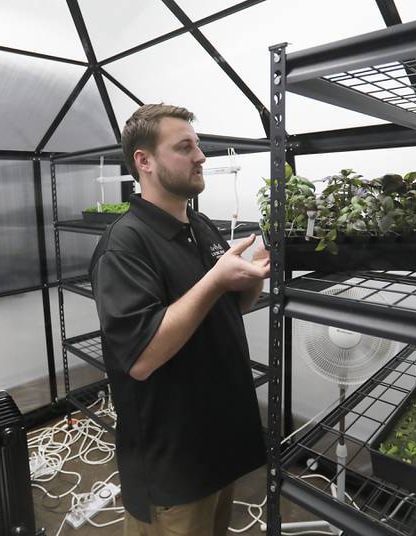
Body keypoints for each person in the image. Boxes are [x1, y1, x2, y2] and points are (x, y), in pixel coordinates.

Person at [89, 103, 270, 536]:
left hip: (217, 448)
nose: (201, 157)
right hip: (173, 466)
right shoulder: (125, 245)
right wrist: (215, 280)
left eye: (198, 146)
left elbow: (229, 311)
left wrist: (254, 275)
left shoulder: (200, 224)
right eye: (185, 147)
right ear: (144, 161)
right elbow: (142, 359)